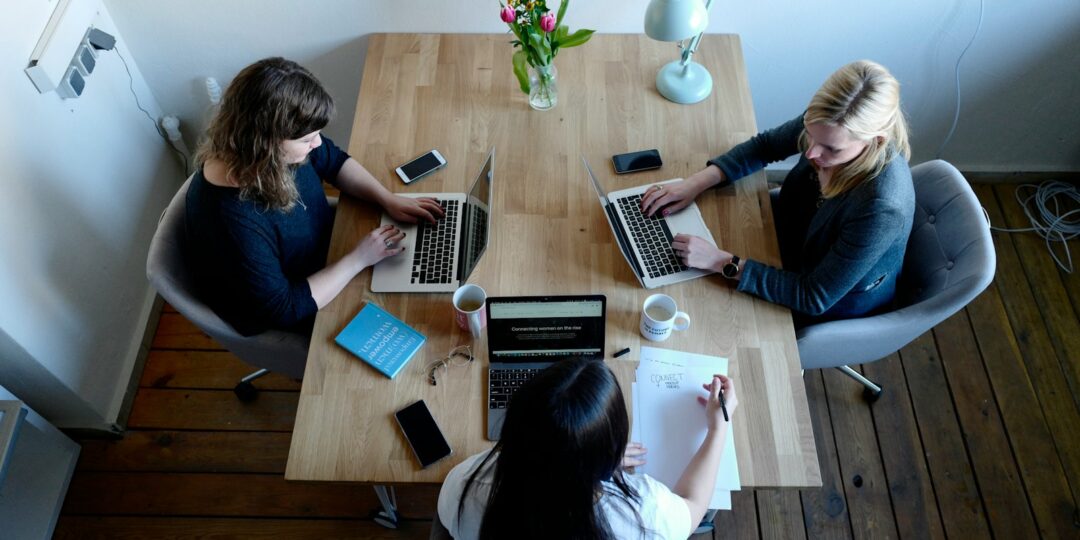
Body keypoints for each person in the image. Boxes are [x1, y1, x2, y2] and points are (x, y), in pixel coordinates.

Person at [642, 60, 914, 325]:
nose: (811, 153)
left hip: (823, 299)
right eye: (810, 135)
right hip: (787, 238)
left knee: (712, 318)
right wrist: (694, 183)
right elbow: (766, 146)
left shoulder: (881, 207)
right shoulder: (827, 122)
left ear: (875, 140)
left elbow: (813, 296)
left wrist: (719, 261)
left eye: (831, 149)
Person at [186, 57, 444, 336]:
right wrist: (358, 259)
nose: (317, 143)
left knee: (424, 279)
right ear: (265, 142)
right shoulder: (231, 222)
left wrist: (386, 198)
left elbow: (333, 161)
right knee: (418, 318)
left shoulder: (267, 154)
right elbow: (283, 308)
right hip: (299, 303)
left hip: (329, 251)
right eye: (307, 140)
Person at [436, 358, 737, 539]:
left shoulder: (463, 485)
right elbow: (693, 505)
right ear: (610, 456)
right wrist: (717, 427)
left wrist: (578, 455)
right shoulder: (645, 516)